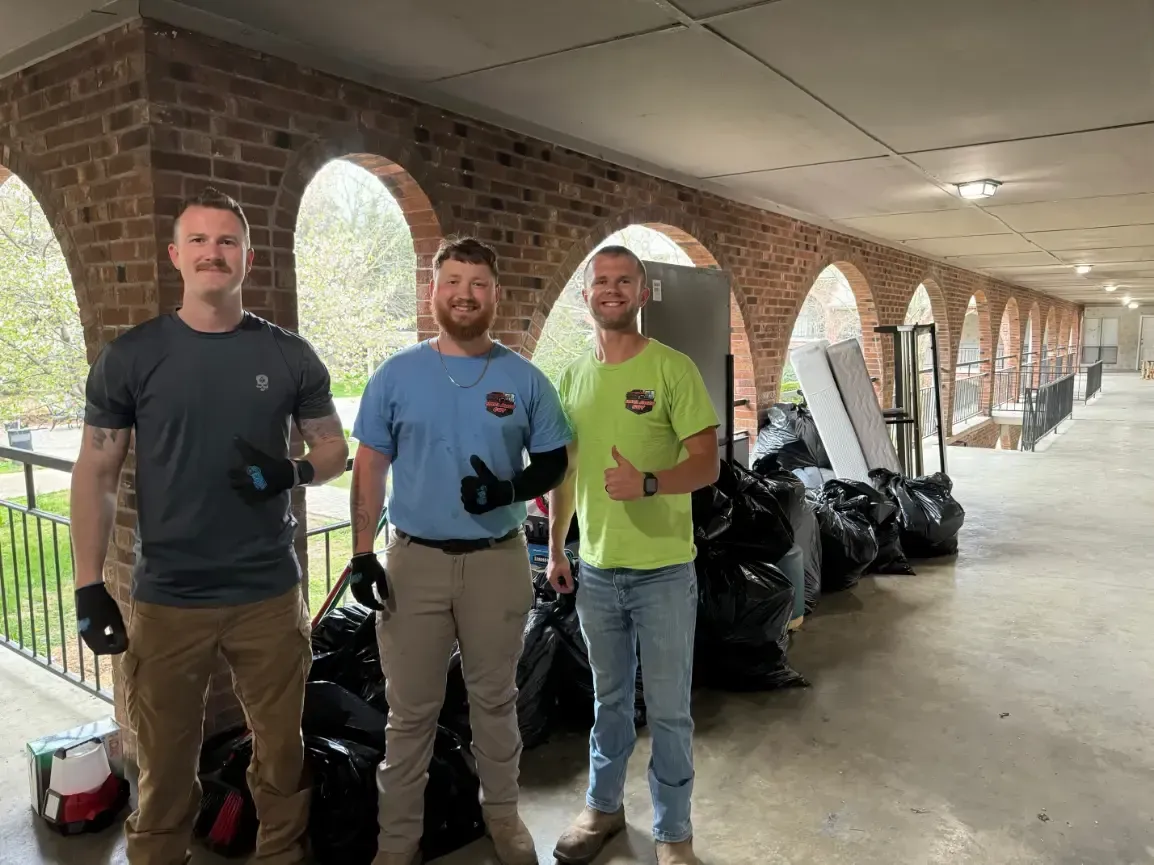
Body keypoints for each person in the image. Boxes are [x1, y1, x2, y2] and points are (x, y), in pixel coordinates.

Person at [70, 187, 349, 865]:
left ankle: (280, 854)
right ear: (175, 255)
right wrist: (87, 586)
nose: (213, 253)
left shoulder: (288, 355)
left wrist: (291, 474)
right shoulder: (133, 355)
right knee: (164, 766)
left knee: (282, 755)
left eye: (227, 241)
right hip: (168, 598)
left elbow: (333, 450)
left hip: (267, 594)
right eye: (198, 240)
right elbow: (96, 472)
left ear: (248, 256)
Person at [346, 236, 572, 865]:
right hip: (414, 563)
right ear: (434, 292)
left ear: (495, 295)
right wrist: (362, 552)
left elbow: (553, 459)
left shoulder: (523, 379)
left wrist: (508, 487)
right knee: (409, 712)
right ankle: (398, 841)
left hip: (497, 560)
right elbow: (369, 466)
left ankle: (503, 818)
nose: (465, 295)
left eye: (478, 284)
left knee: (494, 700)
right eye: (453, 282)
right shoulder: (396, 375)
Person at [546, 246, 720, 865]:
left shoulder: (673, 369)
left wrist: (649, 482)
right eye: (601, 282)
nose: (611, 290)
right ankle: (603, 808)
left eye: (624, 281)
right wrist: (557, 548)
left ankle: (675, 835)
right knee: (609, 699)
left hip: (664, 571)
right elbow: (564, 473)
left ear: (642, 293)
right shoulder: (570, 376)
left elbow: (706, 463)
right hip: (595, 569)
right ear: (585, 295)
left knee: (670, 710)